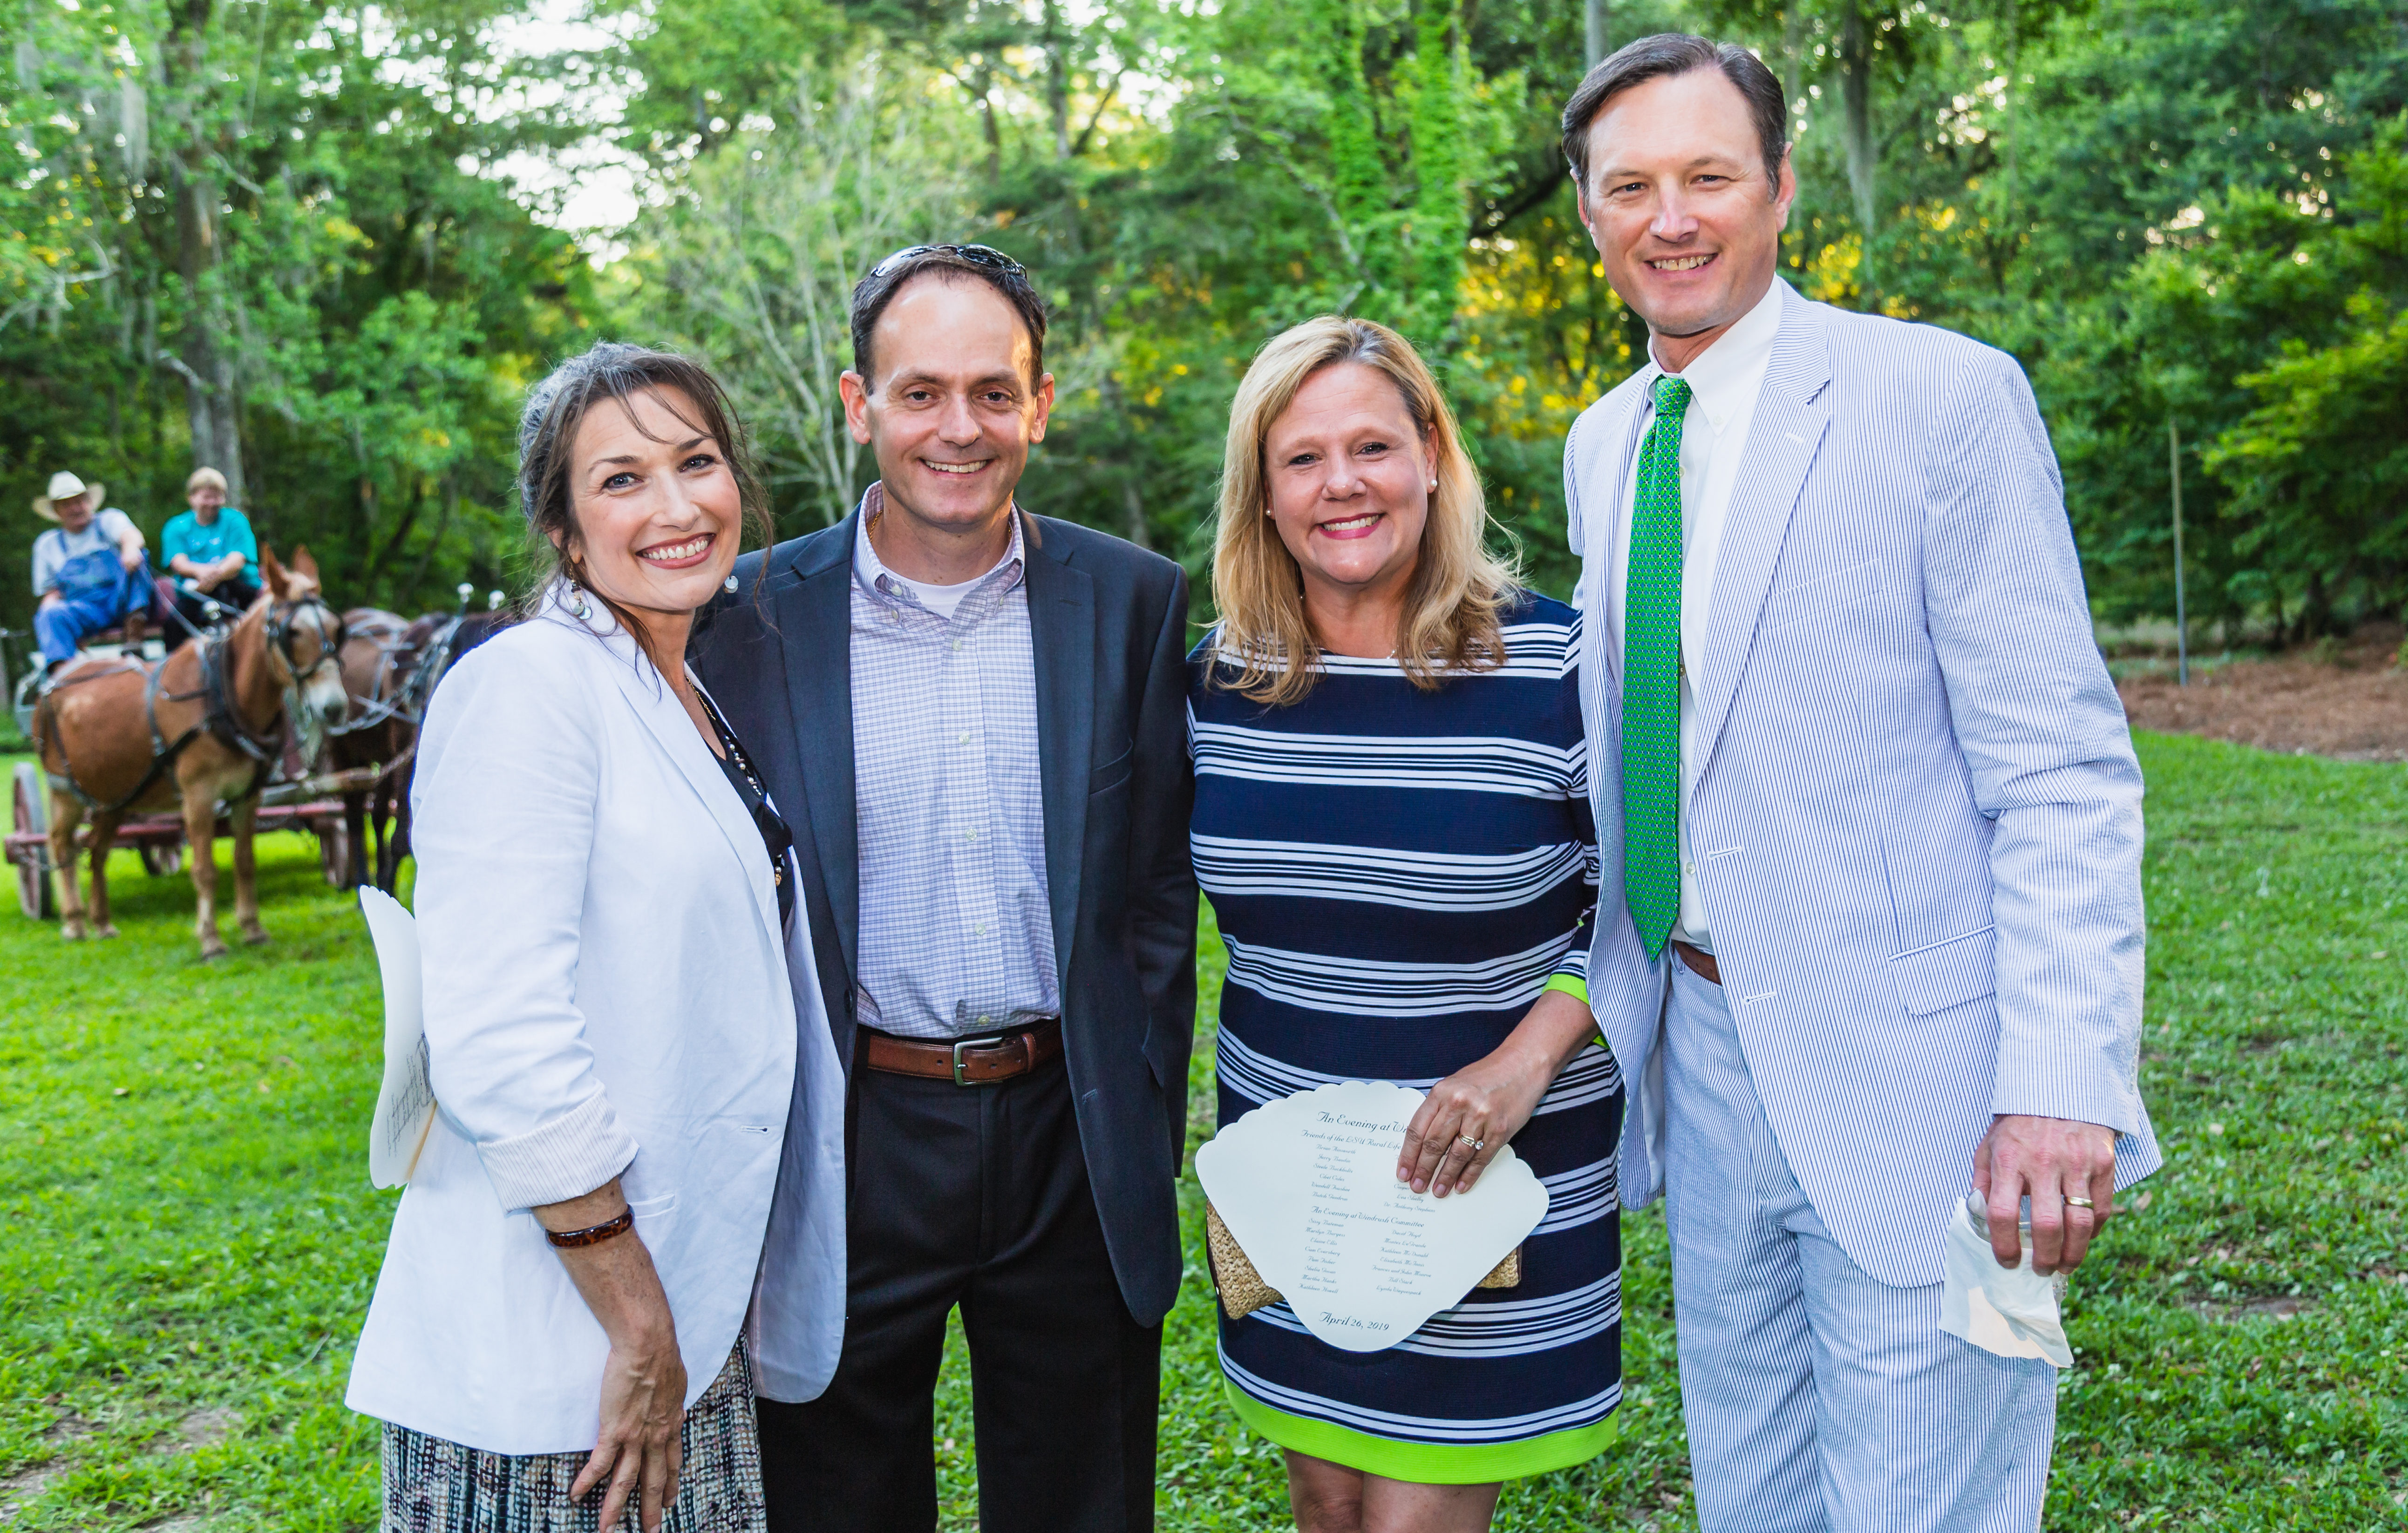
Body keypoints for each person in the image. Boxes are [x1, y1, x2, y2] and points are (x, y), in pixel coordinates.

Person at [1558, 34, 2158, 1531]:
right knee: (1749, 1500)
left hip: (1924, 1085)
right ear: (1587, 216)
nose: (1669, 219)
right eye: (1629, 187)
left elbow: (2061, 769)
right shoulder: (1604, 441)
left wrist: (2056, 1084)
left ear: (1779, 187)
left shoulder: (1939, 397)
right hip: (1701, 1057)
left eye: (1707, 176)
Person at [691, 244, 1197, 1533]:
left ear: (1040, 405)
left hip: (1068, 1129)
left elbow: (1153, 889)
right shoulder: (738, 618)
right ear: (858, 405)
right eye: (919, 393)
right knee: (838, 1503)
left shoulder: (1131, 600)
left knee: (1083, 1505)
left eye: (991, 391)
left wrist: (1138, 1101)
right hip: (847, 1129)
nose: (956, 428)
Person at [347, 343, 838, 1533]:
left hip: (683, 1310)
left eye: (696, 462)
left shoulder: (686, 690)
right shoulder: (529, 685)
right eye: (621, 479)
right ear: (564, 532)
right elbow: (501, 1038)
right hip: (569, 1350)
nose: (676, 506)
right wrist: (636, 1322)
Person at [1190, 316, 1622, 1533]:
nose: (1341, 483)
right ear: (1262, 493)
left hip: (1482, 1170)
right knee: (1325, 1505)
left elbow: (1645, 893)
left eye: (1372, 446)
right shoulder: (1215, 683)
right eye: (1301, 457)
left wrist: (1521, 1063)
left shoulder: (1559, 667)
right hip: (1286, 1183)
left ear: (1431, 456)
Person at [30, 470, 152, 674]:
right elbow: (52, 593)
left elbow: (132, 536)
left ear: (89, 502)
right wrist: (49, 618)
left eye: (80, 501)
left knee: (141, 557)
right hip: (86, 608)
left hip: (121, 599)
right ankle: (63, 674)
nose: (76, 508)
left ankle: (134, 640)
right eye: (67, 505)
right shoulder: (47, 544)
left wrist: (130, 549)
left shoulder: (109, 520)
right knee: (49, 615)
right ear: (57, 511)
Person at [159, 466, 261, 645]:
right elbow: (178, 563)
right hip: (195, 591)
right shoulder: (176, 526)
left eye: (217, 497)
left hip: (237, 587)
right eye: (206, 497)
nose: (212, 503)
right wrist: (201, 574)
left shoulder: (235, 520)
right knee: (174, 624)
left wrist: (214, 576)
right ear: (191, 498)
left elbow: (237, 561)